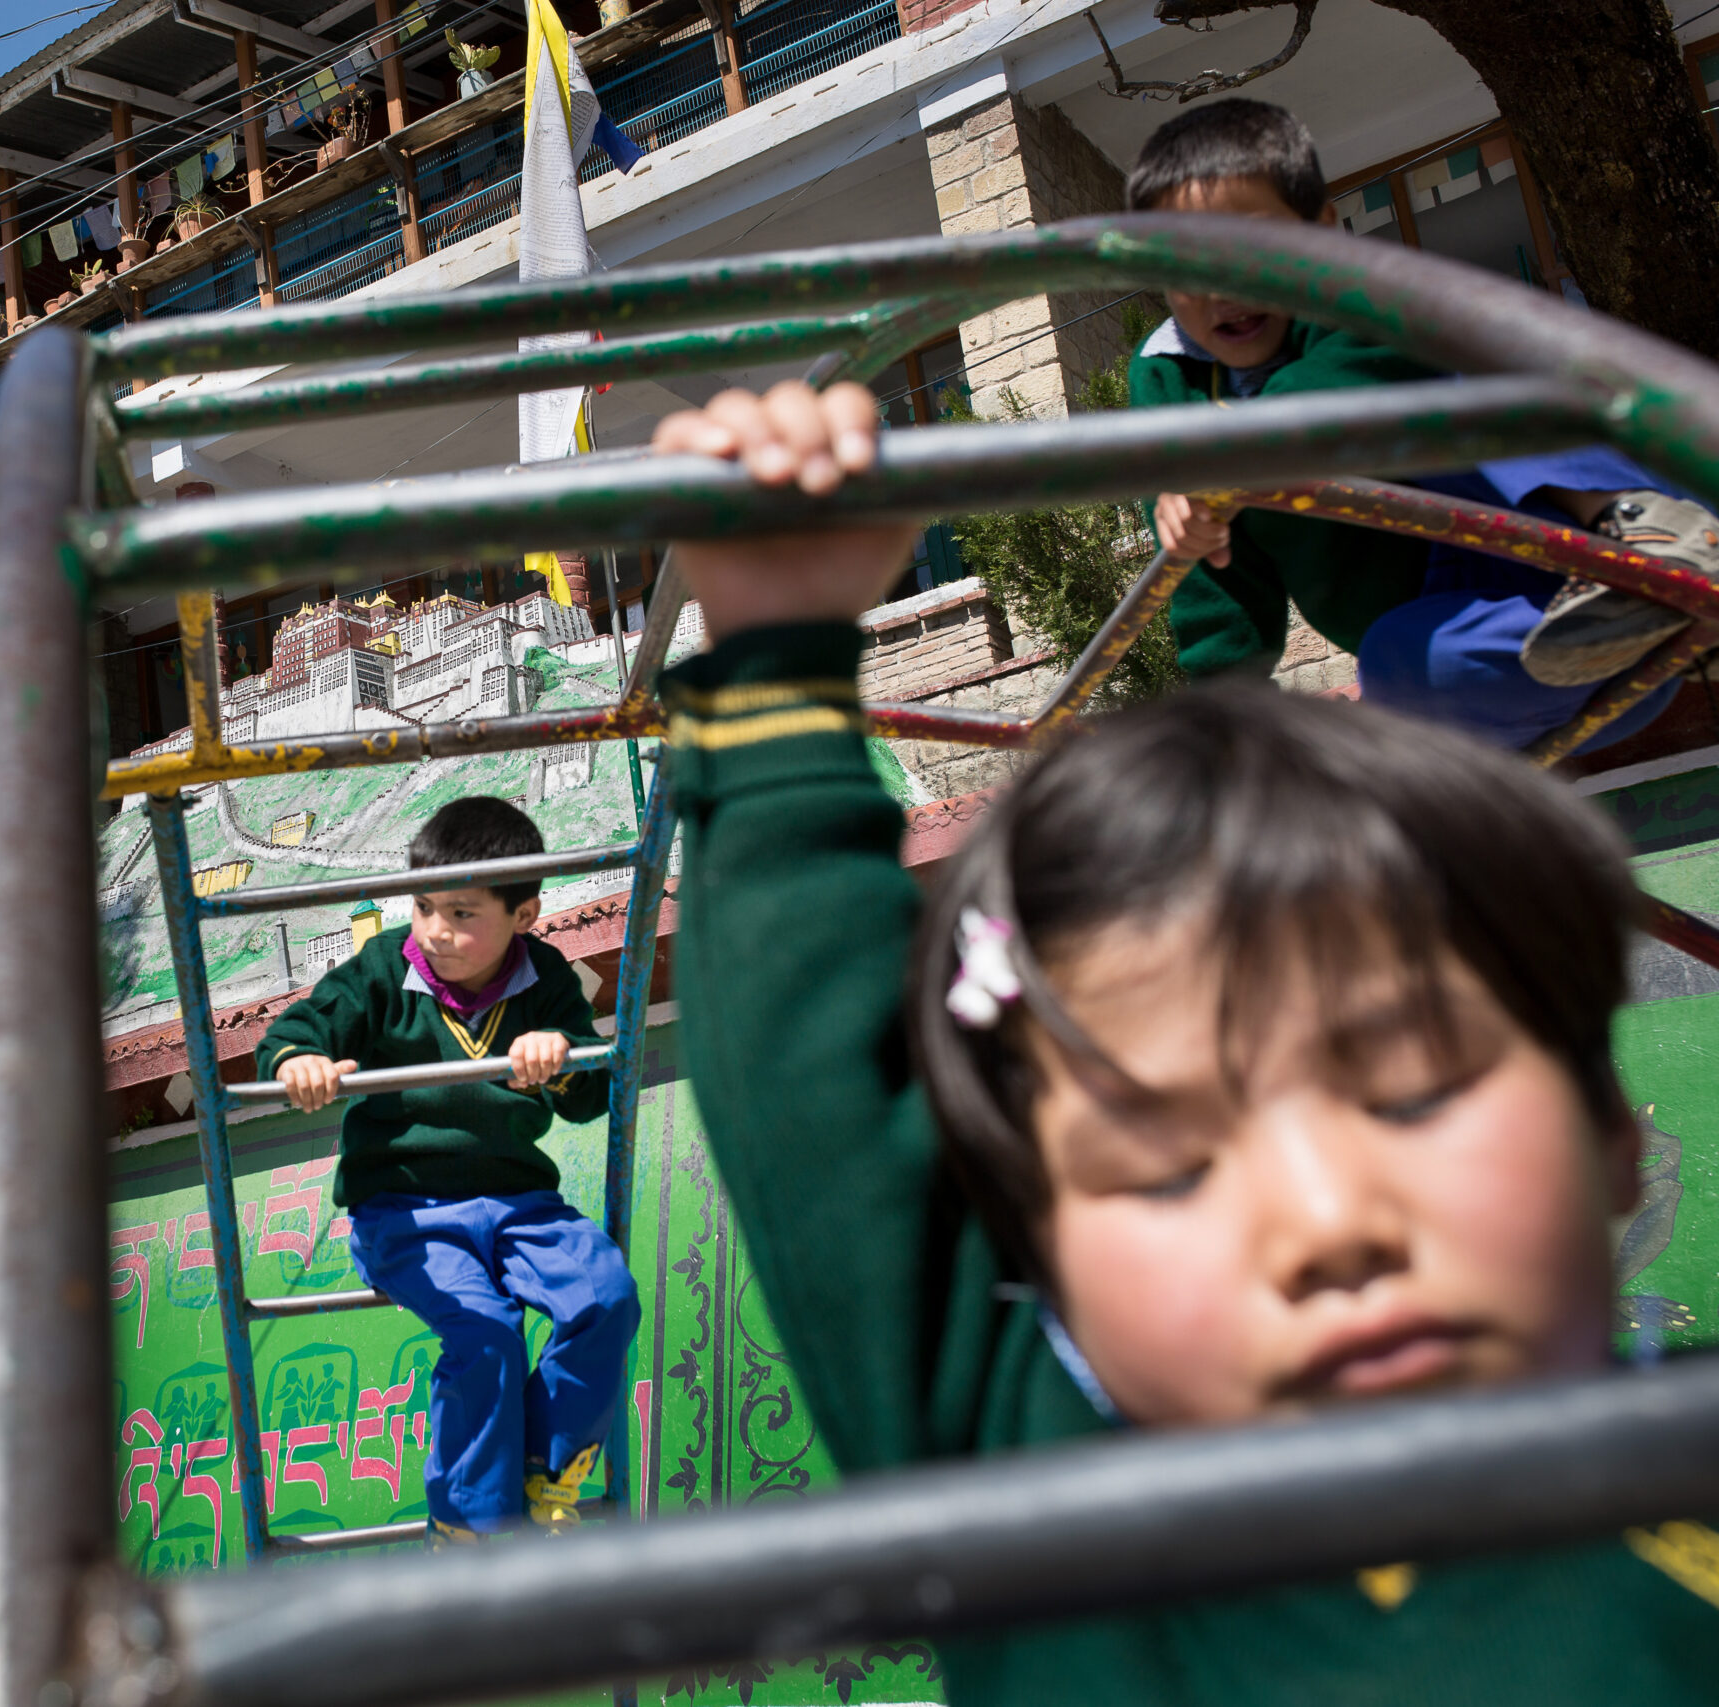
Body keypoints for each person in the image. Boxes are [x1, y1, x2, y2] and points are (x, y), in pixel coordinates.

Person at [646, 376, 1719, 1698]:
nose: (1326, 1220)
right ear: (1041, 1254)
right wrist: (773, 648)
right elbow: (827, 1098)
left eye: (1414, 1091)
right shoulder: (1058, 1525)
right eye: (1160, 1166)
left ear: (1609, 1125)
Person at [1128, 97, 1719, 749]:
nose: (1219, 287)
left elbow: (1361, 376)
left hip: (1554, 530)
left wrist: (1228, 451)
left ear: (1320, 234)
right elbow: (1215, 575)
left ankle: (1640, 526)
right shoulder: (1169, 380)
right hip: (1509, 647)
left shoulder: (1364, 295)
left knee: (1469, 363)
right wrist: (1229, 721)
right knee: (1390, 668)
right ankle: (1651, 622)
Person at [258, 797, 640, 1542]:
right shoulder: (382, 969)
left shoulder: (548, 979)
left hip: (519, 1201)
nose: (437, 929)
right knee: (485, 1331)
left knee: (606, 1295)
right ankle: (470, 1525)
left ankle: (546, 1467)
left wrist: (556, 1063)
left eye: (463, 913)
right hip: (404, 1207)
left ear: (523, 915)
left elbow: (591, 1096)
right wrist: (298, 1059)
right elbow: (303, 1026)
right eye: (425, 904)